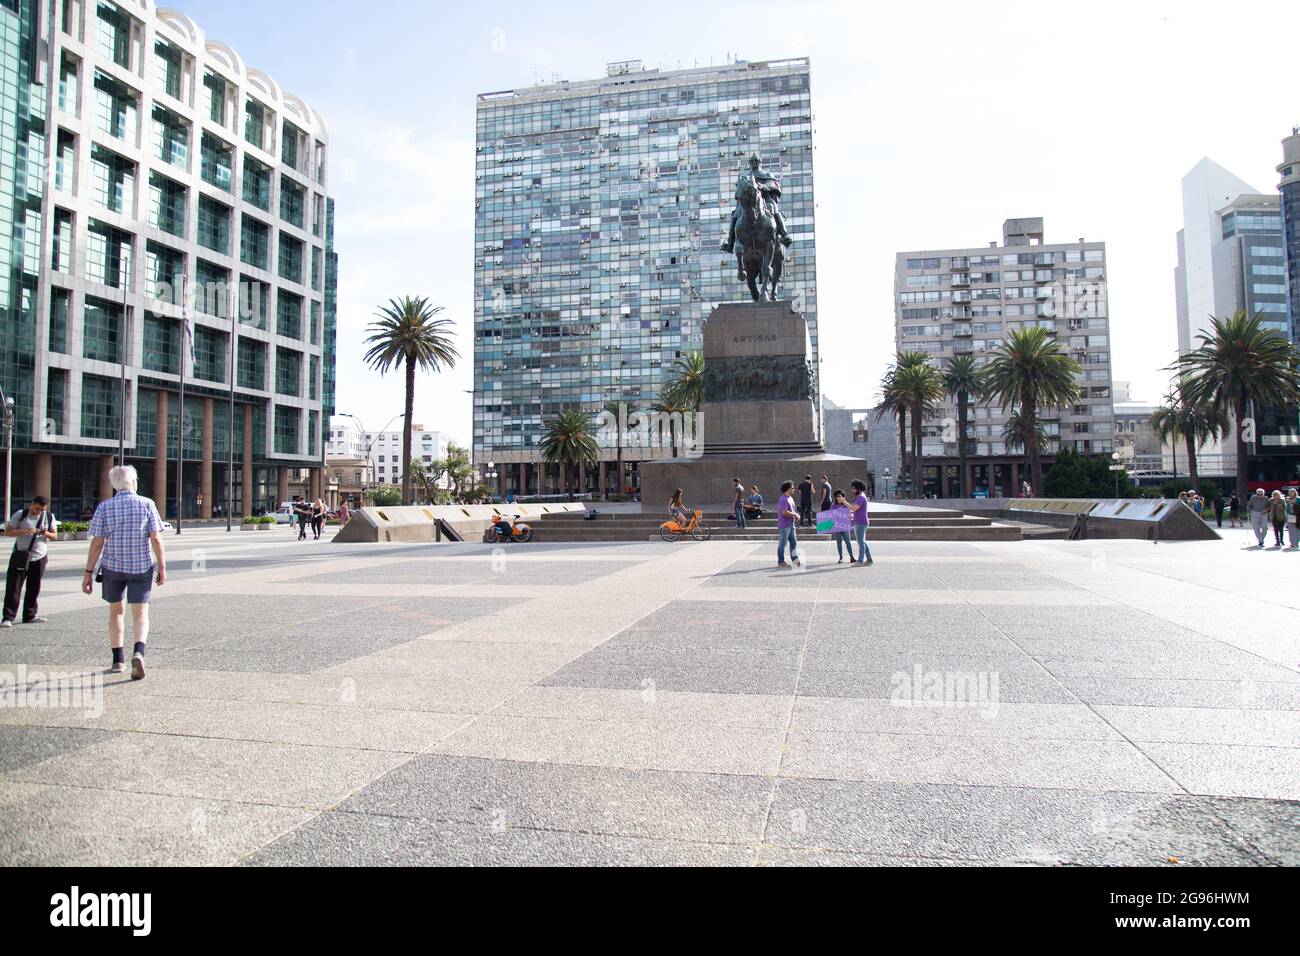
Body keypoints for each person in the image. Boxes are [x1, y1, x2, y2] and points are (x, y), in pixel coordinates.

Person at [82, 465, 166, 680]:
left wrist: (88, 572)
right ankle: (139, 651)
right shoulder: (147, 504)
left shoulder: (104, 507)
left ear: (114, 485)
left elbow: (97, 543)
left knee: (116, 612)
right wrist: (162, 567)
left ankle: (117, 660)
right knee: (140, 614)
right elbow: (156, 538)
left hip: (113, 568)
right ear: (134, 482)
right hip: (141, 566)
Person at [2, 495, 58, 628]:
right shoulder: (21, 514)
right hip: (21, 556)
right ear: (32, 503)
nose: (38, 512)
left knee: (34, 587)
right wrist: (24, 531)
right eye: (37, 508)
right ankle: (8, 617)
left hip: (39, 557)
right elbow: (8, 532)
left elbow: (54, 535)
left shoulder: (49, 516)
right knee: (13, 587)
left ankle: (30, 615)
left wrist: (45, 533)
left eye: (41, 509)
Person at [775, 480, 802, 568]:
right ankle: (781, 561)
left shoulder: (790, 498)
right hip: (784, 525)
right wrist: (795, 515)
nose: (794, 489)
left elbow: (791, 510)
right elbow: (784, 512)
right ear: (788, 489)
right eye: (792, 488)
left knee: (794, 542)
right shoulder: (783, 499)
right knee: (783, 544)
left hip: (791, 524)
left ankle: (795, 560)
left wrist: (796, 515)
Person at [849, 478, 874, 566]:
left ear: (858, 489)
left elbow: (854, 508)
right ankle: (869, 559)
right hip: (860, 521)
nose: (852, 490)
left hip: (860, 522)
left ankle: (860, 561)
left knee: (860, 542)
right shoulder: (861, 496)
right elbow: (856, 510)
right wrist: (853, 514)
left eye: (853, 488)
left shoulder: (861, 497)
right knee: (862, 541)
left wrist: (844, 502)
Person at [830, 489, 855, 564]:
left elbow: (851, 514)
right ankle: (841, 558)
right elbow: (830, 515)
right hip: (837, 526)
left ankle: (852, 557)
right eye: (837, 496)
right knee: (839, 542)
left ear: (843, 497)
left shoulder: (846, 505)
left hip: (845, 526)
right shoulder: (833, 506)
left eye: (840, 496)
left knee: (848, 542)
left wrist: (851, 516)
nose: (838, 498)